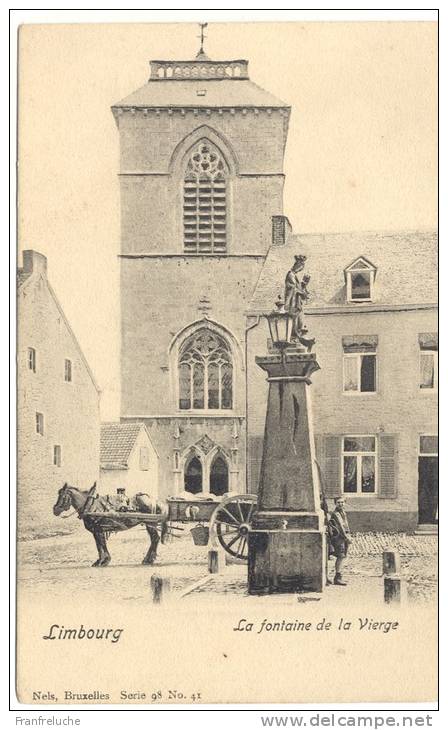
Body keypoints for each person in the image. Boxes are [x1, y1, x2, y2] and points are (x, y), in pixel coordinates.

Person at [328, 496, 352, 586]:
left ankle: (338, 576)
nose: (340, 504)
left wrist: (348, 534)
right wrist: (346, 537)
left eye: (342, 502)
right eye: (338, 502)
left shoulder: (343, 512)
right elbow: (341, 527)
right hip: (339, 538)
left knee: (342, 556)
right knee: (340, 556)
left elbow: (346, 525)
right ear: (335, 503)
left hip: (343, 537)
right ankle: (337, 578)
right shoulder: (336, 514)